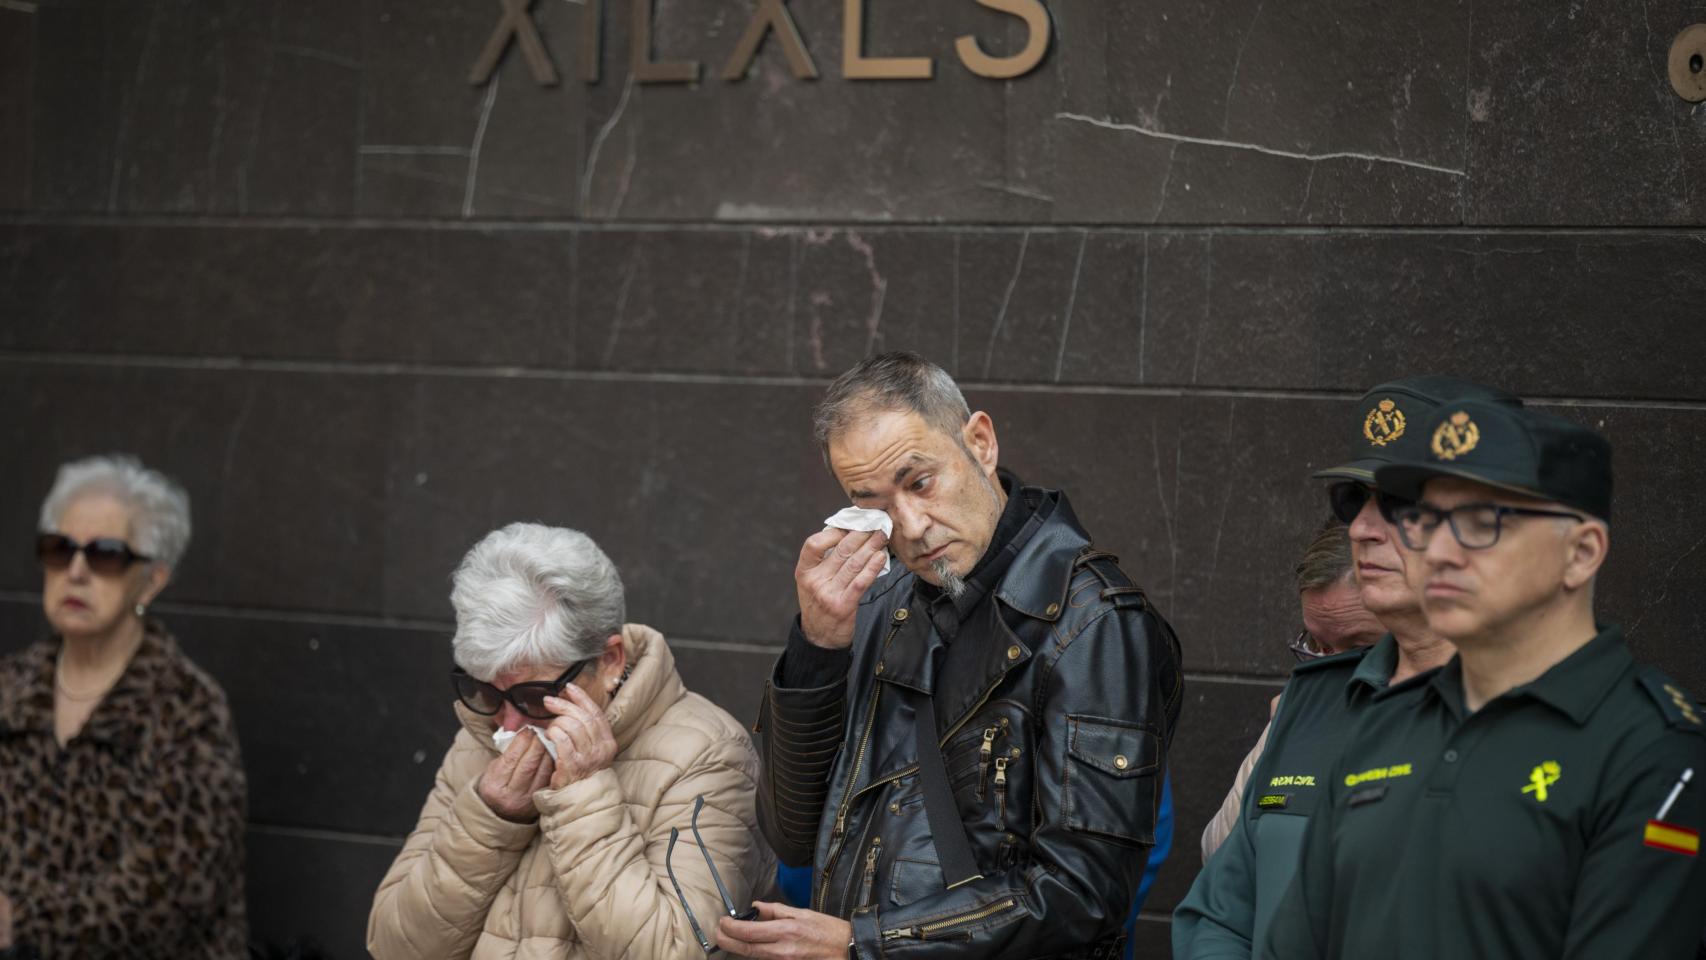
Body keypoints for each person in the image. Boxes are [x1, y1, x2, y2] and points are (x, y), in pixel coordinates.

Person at [719, 352, 1183, 959]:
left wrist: (862, 944)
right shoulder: (883, 602)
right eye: (875, 505)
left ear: (981, 444)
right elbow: (793, 835)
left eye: (920, 482)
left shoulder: (1093, 619)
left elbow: (1084, 892)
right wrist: (818, 646)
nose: (910, 526)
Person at [1264, 400, 1706, 958]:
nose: (1440, 552)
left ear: (1580, 553)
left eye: (1479, 523)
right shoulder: (1386, 721)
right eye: (1426, 520)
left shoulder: (1653, 748)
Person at [1175, 377, 1513, 959]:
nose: (1361, 529)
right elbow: (1221, 917)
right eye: (1356, 504)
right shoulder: (1314, 704)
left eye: (1403, 506)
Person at [367, 522, 774, 959]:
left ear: (610, 661)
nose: (509, 721)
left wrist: (584, 796)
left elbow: (678, 952)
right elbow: (394, 946)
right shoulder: (484, 736)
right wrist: (491, 820)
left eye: (534, 696)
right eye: (487, 691)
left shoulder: (709, 755)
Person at [0, 455, 247, 959]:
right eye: (59, 549)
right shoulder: (10, 686)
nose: (75, 571)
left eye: (106, 555)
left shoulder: (186, 707)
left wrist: (20, 920)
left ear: (151, 580)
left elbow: (175, 891)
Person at [1197, 517, 1386, 862]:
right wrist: (1280, 746)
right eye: (1318, 644)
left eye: (1361, 648)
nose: (1330, 668)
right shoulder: (1301, 708)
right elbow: (1217, 856)